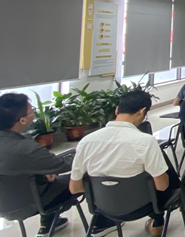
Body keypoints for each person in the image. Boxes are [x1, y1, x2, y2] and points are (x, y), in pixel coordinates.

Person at [0, 93, 116, 237]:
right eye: (31, 110)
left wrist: (43, 169)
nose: (34, 113)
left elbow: (11, 166)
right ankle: (102, 224)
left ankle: (48, 224)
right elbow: (65, 165)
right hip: (32, 203)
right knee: (91, 175)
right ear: (22, 120)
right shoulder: (26, 149)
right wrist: (90, 152)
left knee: (44, 177)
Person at [70, 91, 179, 237]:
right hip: (142, 206)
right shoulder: (145, 142)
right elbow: (162, 186)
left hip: (102, 207)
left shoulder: (86, 142)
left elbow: (75, 188)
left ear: (117, 110)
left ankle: (103, 222)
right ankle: (157, 221)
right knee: (163, 177)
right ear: (142, 111)